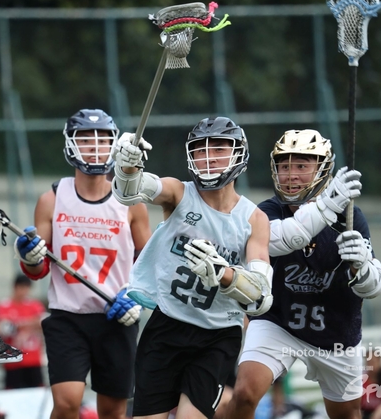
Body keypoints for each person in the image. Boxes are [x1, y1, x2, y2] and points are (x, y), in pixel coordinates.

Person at [112, 116, 273, 419]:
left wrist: (223, 273)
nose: (208, 157)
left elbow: (261, 295)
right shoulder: (178, 193)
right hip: (167, 325)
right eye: (200, 149)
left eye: (219, 148)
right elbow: (131, 190)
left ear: (239, 153)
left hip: (217, 335)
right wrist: (127, 165)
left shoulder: (254, 219)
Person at [224, 129, 381, 419]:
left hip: (336, 332)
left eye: (301, 165)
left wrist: (360, 265)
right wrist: (325, 207)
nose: (291, 175)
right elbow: (279, 239)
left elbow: (373, 288)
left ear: (322, 170)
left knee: (347, 415)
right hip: (278, 322)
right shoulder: (266, 211)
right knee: (244, 394)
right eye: (284, 166)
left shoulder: (350, 216)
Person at [14, 109, 152, 419]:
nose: (95, 147)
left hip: (117, 316)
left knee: (113, 411)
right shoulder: (51, 199)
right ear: (70, 144)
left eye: (102, 140)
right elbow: (38, 270)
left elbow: (150, 263)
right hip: (68, 317)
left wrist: (135, 296)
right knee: (67, 403)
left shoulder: (131, 202)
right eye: (86, 139)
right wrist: (29, 257)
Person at [0, 274, 46, 389]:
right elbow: (4, 327)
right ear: (15, 287)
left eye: (26, 288)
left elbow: (42, 322)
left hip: (33, 358)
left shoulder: (34, 305)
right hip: (12, 360)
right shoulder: (4, 305)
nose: (24, 292)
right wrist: (30, 324)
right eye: (21, 288)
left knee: (37, 391)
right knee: (13, 393)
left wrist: (22, 327)